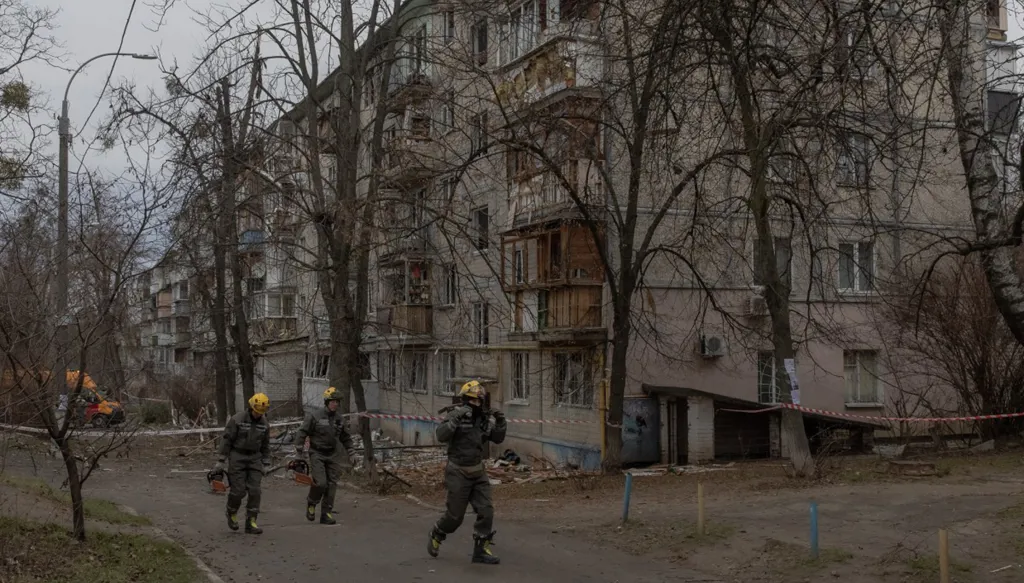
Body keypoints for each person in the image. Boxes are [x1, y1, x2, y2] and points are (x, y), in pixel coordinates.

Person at [427, 380, 507, 565]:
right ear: (465, 400)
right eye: (473, 401)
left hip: (478, 471)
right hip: (458, 471)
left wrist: (501, 422)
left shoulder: (483, 420)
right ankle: (438, 532)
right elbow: (441, 435)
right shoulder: (456, 415)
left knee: (486, 511)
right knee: (455, 517)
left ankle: (481, 550)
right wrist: (455, 419)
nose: (476, 405)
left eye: (479, 401)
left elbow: (497, 438)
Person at [294, 386, 356, 525]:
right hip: (317, 453)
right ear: (327, 402)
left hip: (333, 454)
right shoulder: (315, 416)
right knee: (321, 482)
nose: (336, 404)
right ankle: (311, 502)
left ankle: (326, 513)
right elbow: (302, 432)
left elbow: (346, 437)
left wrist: (351, 452)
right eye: (333, 401)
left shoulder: (340, 419)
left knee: (332, 484)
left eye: (337, 402)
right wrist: (299, 453)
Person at [214, 392, 271, 534]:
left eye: (261, 412)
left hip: (255, 459)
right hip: (237, 456)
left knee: (255, 490)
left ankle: (251, 521)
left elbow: (265, 445)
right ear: (251, 407)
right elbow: (227, 439)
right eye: (257, 411)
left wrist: (266, 462)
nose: (259, 415)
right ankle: (231, 512)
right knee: (238, 491)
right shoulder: (237, 420)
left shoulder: (264, 424)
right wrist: (221, 460)